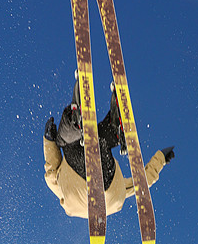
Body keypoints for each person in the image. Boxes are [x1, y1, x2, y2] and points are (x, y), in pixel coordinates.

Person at [43, 75, 175, 218]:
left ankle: (114, 128)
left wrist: (161, 159)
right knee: (66, 142)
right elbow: (51, 173)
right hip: (99, 187)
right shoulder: (57, 187)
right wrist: (49, 140)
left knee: (98, 141)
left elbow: (141, 184)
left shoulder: (65, 194)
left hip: (111, 193)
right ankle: (80, 122)